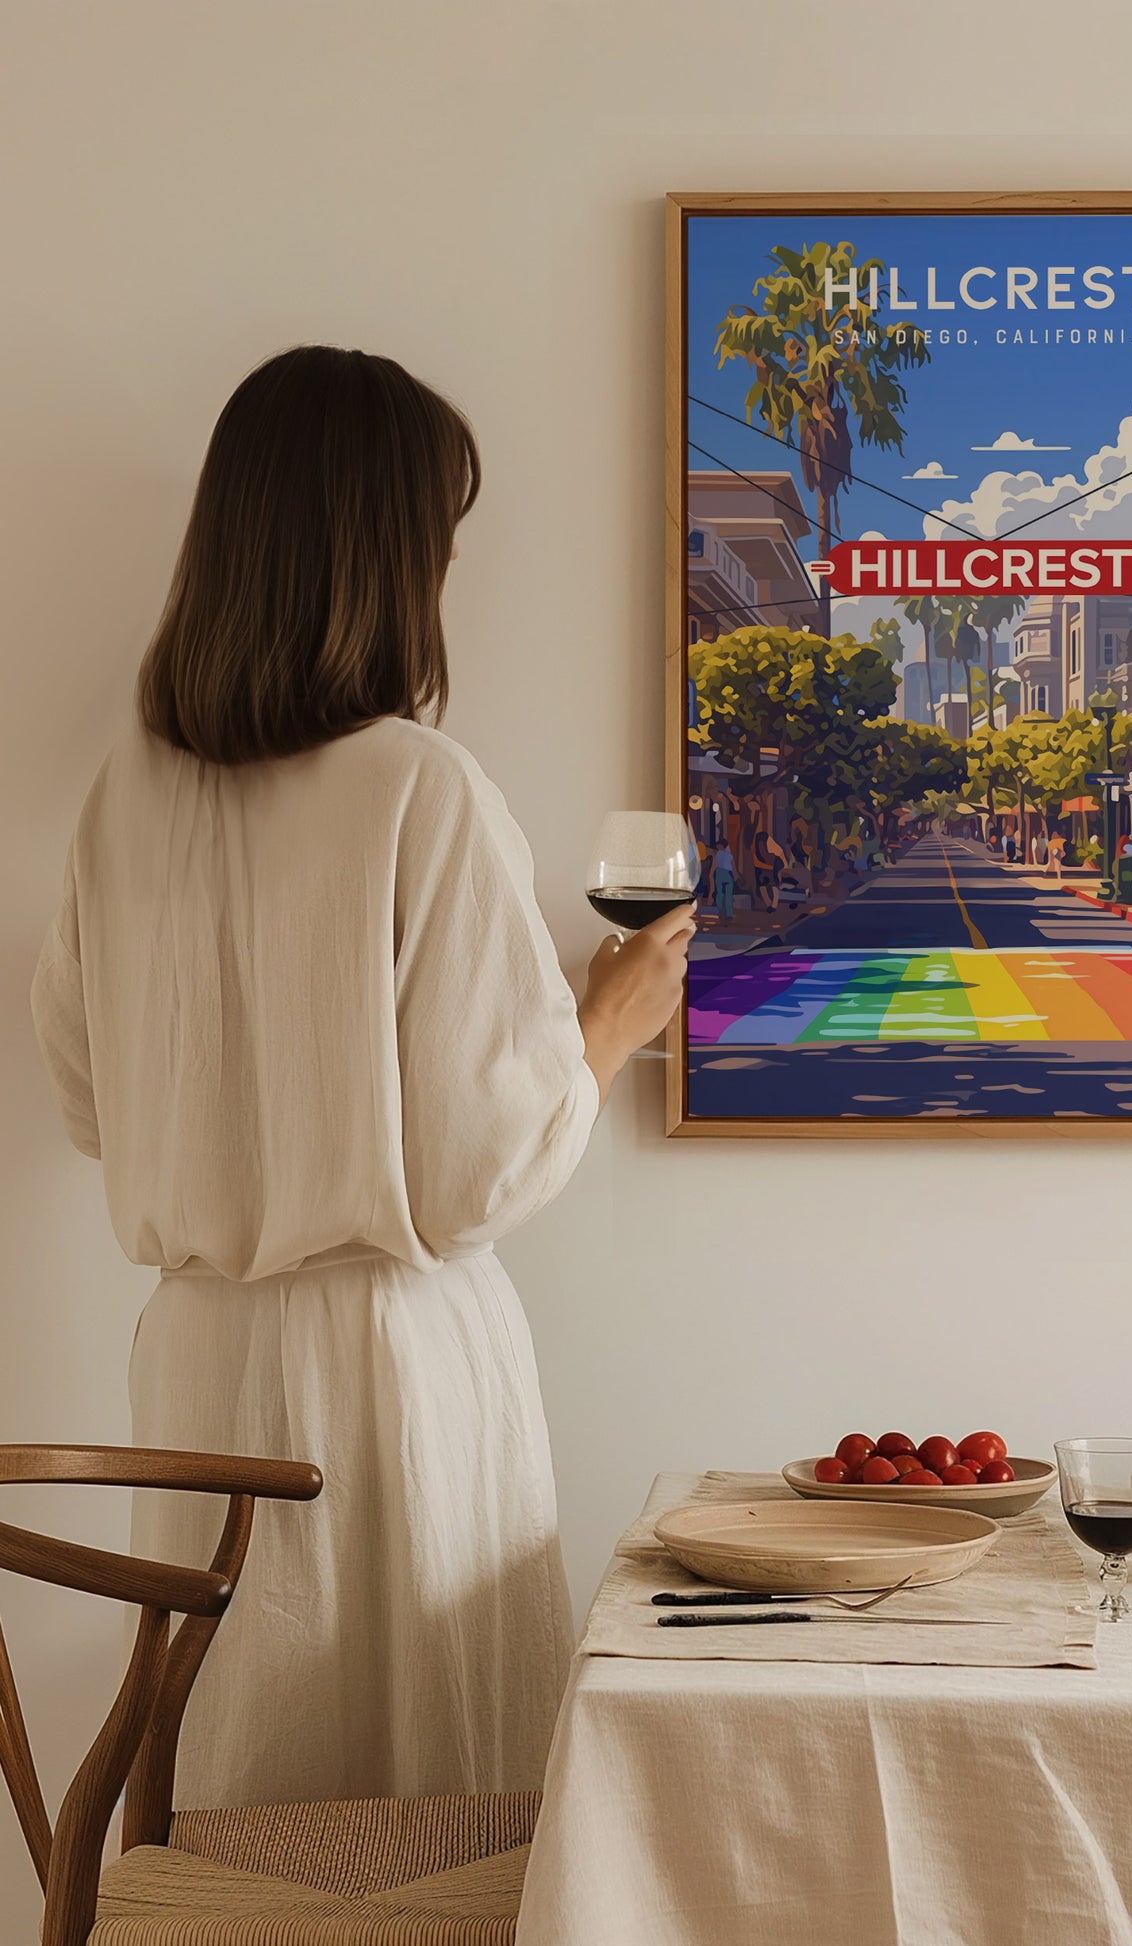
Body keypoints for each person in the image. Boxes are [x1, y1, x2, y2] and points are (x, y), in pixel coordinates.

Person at [30, 345, 693, 1808]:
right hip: (393, 1370)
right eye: (438, 545)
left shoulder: (123, 796)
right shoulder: (419, 786)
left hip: (195, 1362)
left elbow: (87, 1100)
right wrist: (608, 1021)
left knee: (239, 1793)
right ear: (386, 556)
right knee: (425, 1810)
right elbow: (478, 1170)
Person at [711, 838, 737, 920]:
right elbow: (733, 868)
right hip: (728, 875)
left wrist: (711, 874)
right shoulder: (730, 855)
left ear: (720, 846)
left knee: (720, 894)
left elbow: (714, 866)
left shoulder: (717, 854)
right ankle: (729, 914)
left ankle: (721, 911)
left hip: (719, 874)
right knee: (728, 895)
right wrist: (735, 877)